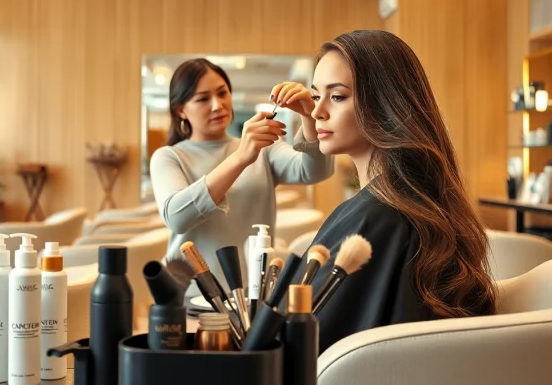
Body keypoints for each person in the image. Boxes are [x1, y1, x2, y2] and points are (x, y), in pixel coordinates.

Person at [297, 30, 497, 353]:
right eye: (314, 95)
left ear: (384, 103)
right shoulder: (410, 204)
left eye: (337, 97)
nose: (317, 112)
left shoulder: (376, 218)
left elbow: (305, 343)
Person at [149, 58, 334, 294]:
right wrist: (241, 158)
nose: (218, 105)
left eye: (222, 93)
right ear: (180, 110)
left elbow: (316, 171)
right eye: (203, 99)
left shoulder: (263, 148)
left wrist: (309, 116)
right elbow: (176, 218)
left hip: (254, 292)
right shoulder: (168, 157)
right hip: (192, 294)